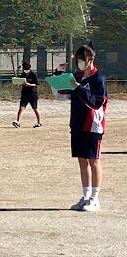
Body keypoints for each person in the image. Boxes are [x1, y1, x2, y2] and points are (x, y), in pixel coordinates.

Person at [69, 43, 107, 212]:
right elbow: (69, 96)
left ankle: (94, 199)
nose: (79, 62)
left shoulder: (98, 78)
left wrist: (79, 89)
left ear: (90, 59)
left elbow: (97, 102)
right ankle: (85, 197)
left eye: (82, 59)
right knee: (82, 161)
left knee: (93, 161)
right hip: (77, 124)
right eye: (77, 59)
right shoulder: (77, 76)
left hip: (92, 126)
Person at [12, 62, 42, 128]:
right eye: (25, 69)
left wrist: (29, 84)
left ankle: (39, 122)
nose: (26, 70)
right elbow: (20, 81)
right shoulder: (23, 74)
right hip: (24, 93)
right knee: (21, 108)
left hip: (32, 94)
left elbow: (36, 84)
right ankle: (18, 122)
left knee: (35, 108)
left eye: (27, 69)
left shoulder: (33, 75)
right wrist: (18, 82)